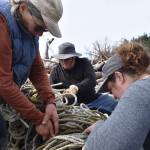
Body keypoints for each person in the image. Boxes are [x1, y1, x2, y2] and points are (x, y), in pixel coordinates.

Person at [0, 0, 63, 147]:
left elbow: (37, 68)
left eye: (45, 30)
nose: (40, 34)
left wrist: (50, 101)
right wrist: (39, 119)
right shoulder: (2, 23)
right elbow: (4, 83)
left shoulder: (29, 30)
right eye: (39, 27)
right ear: (23, 8)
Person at [84, 42, 150, 150]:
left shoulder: (140, 89)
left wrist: (99, 127)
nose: (113, 97)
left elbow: (104, 146)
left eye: (111, 90)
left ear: (119, 77)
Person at [49, 42, 118, 114]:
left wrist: (76, 87)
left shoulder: (84, 63)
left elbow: (91, 80)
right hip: (73, 107)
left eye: (67, 59)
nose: (63, 62)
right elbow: (51, 91)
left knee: (116, 104)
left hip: (94, 100)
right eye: (61, 59)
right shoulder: (55, 72)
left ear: (73, 57)